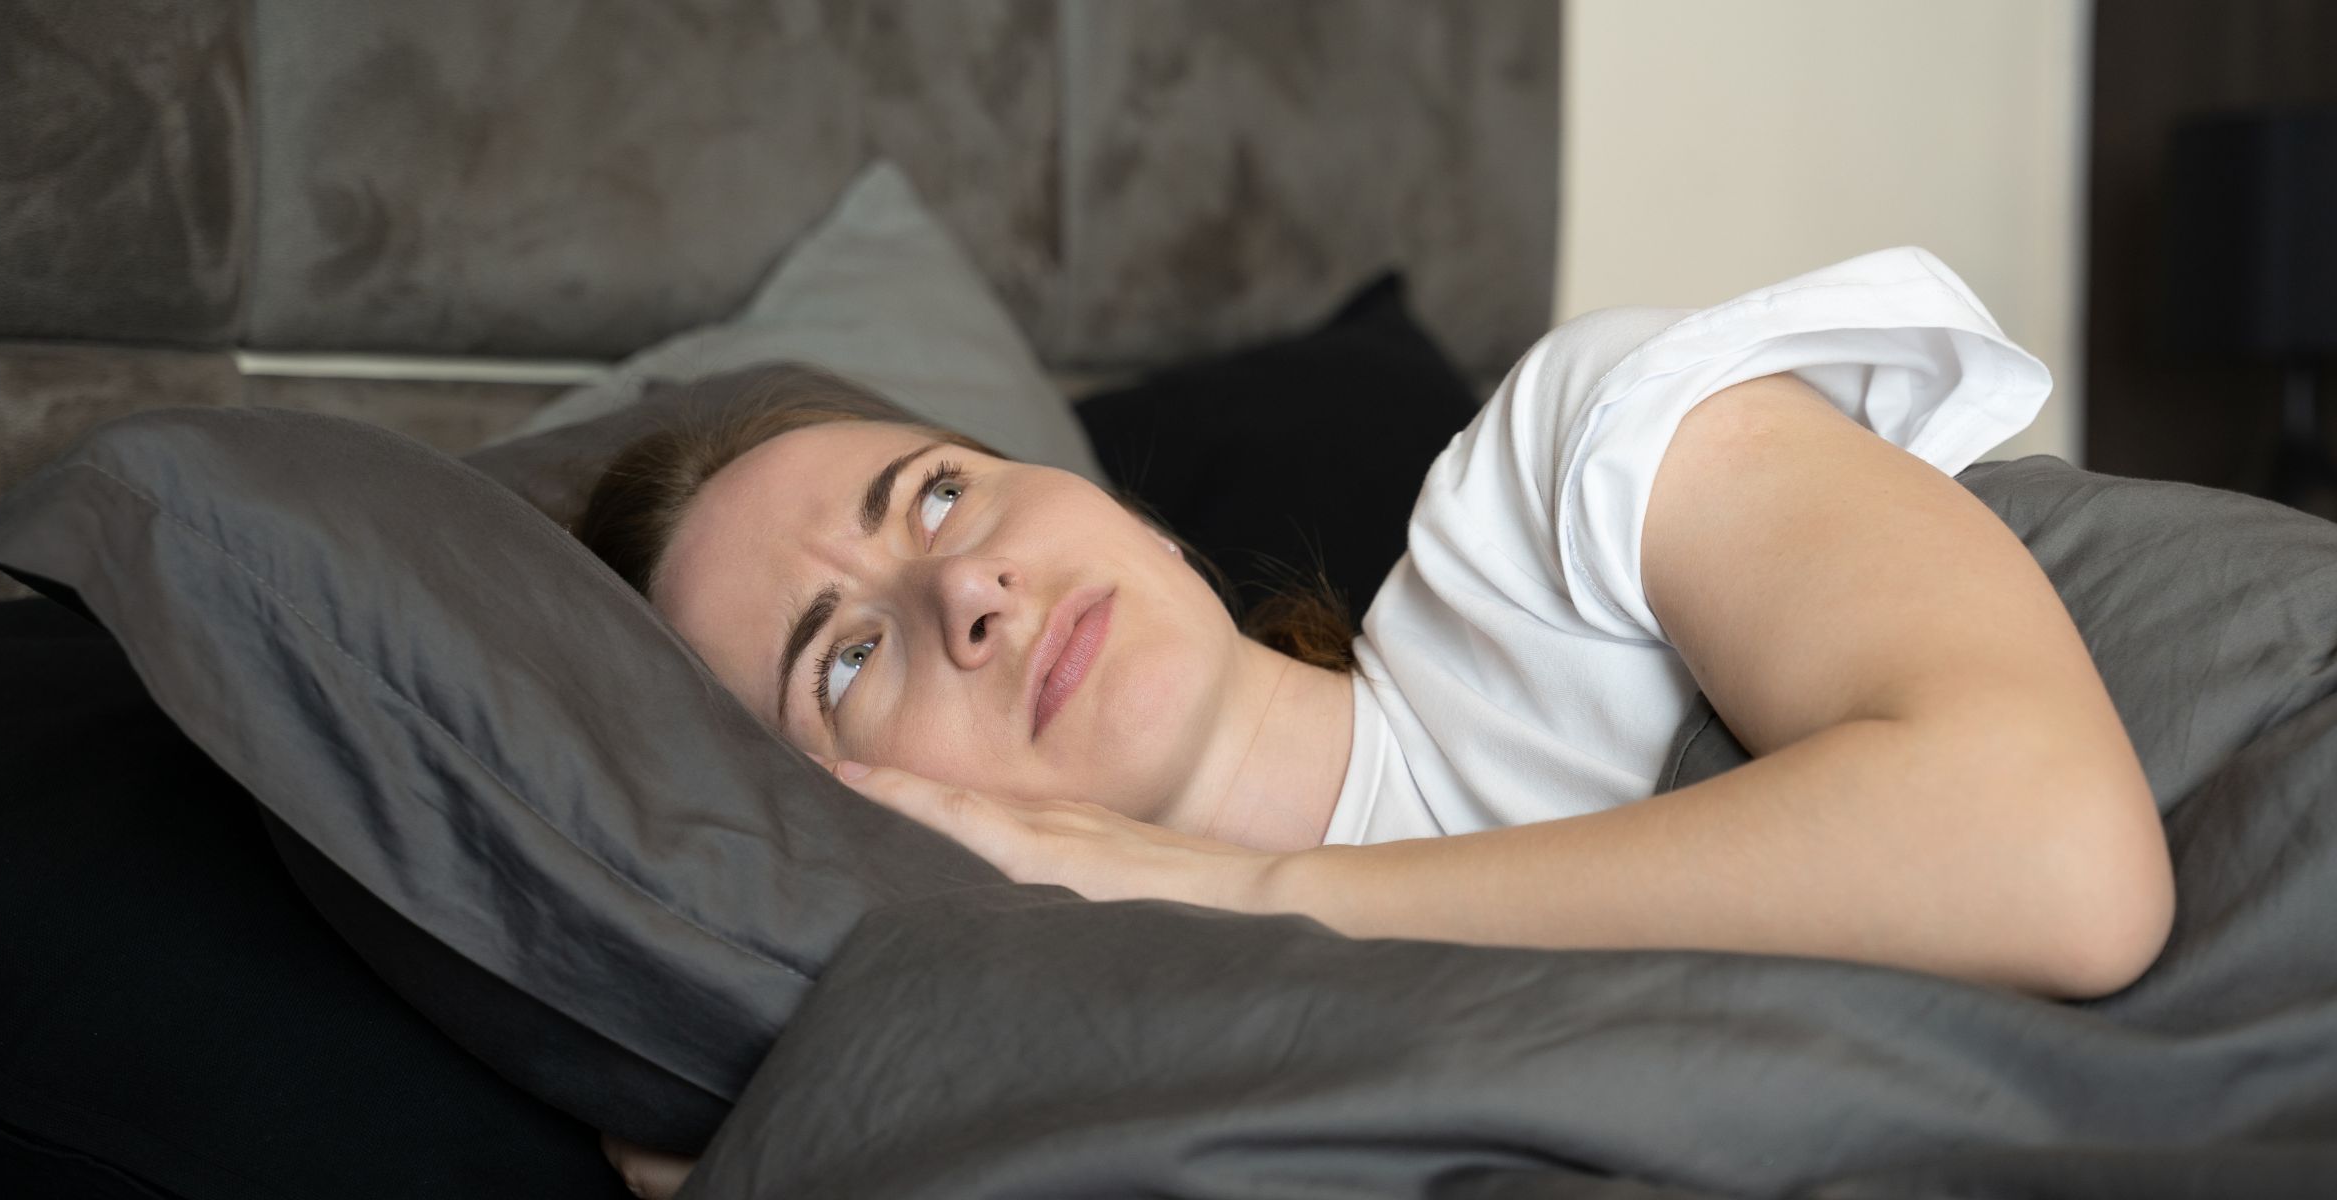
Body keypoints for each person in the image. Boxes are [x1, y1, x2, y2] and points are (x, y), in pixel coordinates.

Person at [576, 247, 2176, 1197]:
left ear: (1112, 508)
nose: (966, 590)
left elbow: (2060, 865)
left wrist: (1255, 894)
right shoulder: (1123, 1108)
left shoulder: (1556, 488)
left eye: (936, 491)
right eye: (842, 663)